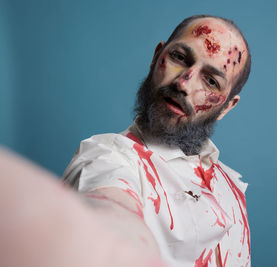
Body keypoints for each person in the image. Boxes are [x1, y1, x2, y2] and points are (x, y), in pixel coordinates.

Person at [0, 14, 251, 267]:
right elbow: (112, 214)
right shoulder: (106, 157)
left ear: (228, 106)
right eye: (180, 58)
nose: (184, 83)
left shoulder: (229, 186)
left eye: (210, 80)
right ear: (156, 56)